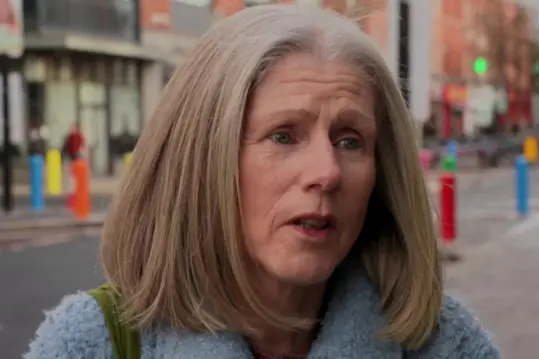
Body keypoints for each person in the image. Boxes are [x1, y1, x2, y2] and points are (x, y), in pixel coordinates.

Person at [25, 5, 499, 359]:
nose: (327, 172)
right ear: (203, 159)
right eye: (283, 135)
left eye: (351, 140)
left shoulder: (442, 343)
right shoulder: (94, 343)